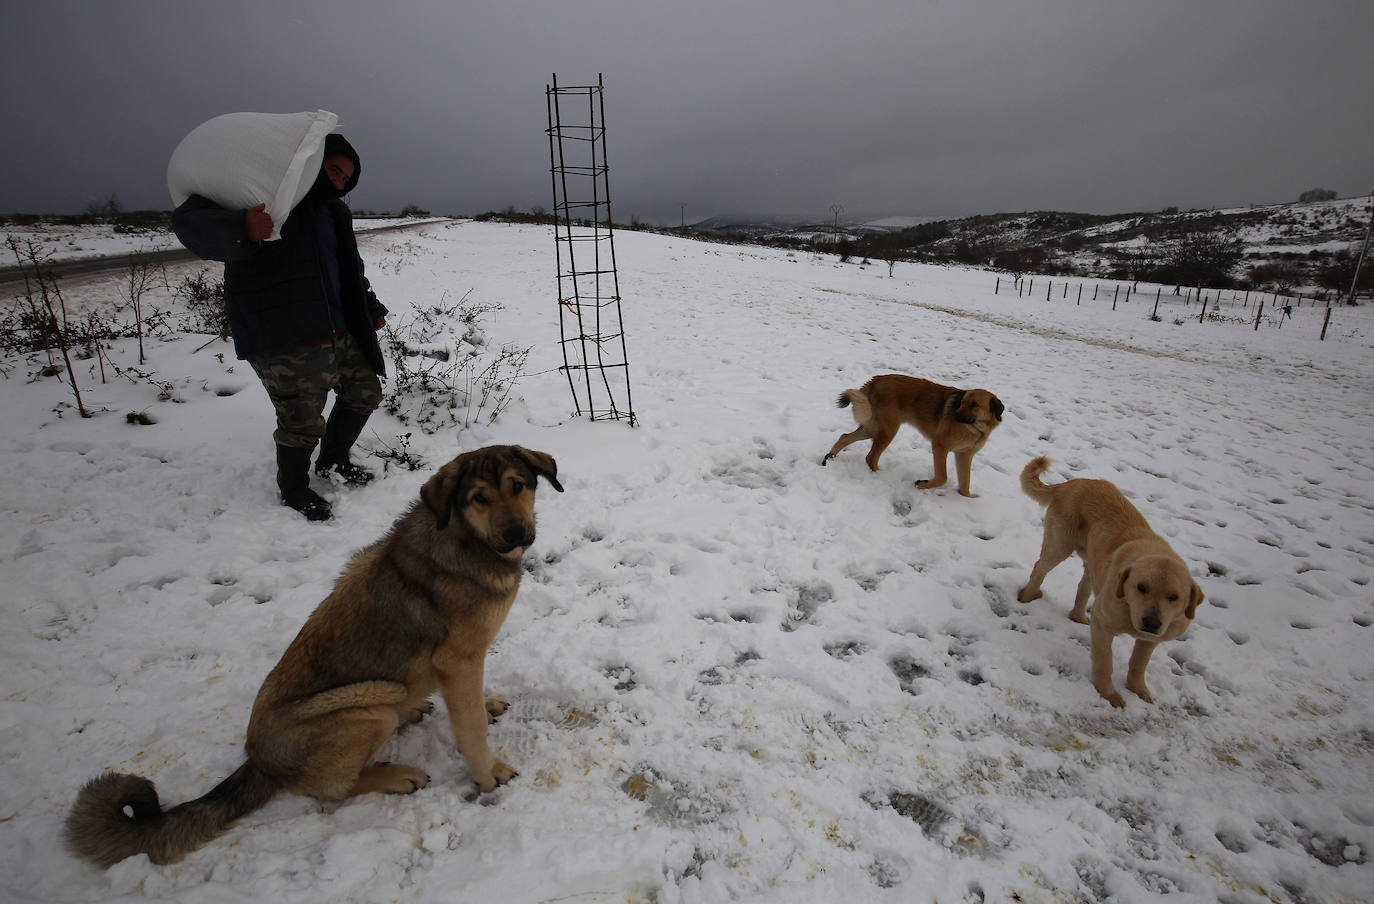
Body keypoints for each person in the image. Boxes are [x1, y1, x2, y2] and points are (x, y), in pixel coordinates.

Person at [172, 133, 388, 521]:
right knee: (302, 419)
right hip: (285, 332)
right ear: (312, 164)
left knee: (365, 391)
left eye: (346, 179)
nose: (338, 182)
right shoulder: (268, 196)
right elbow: (189, 220)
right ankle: (294, 491)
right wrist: (241, 226)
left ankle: (333, 462)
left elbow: (349, 268)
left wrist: (369, 306)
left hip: (338, 329)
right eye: (333, 171)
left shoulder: (334, 212)